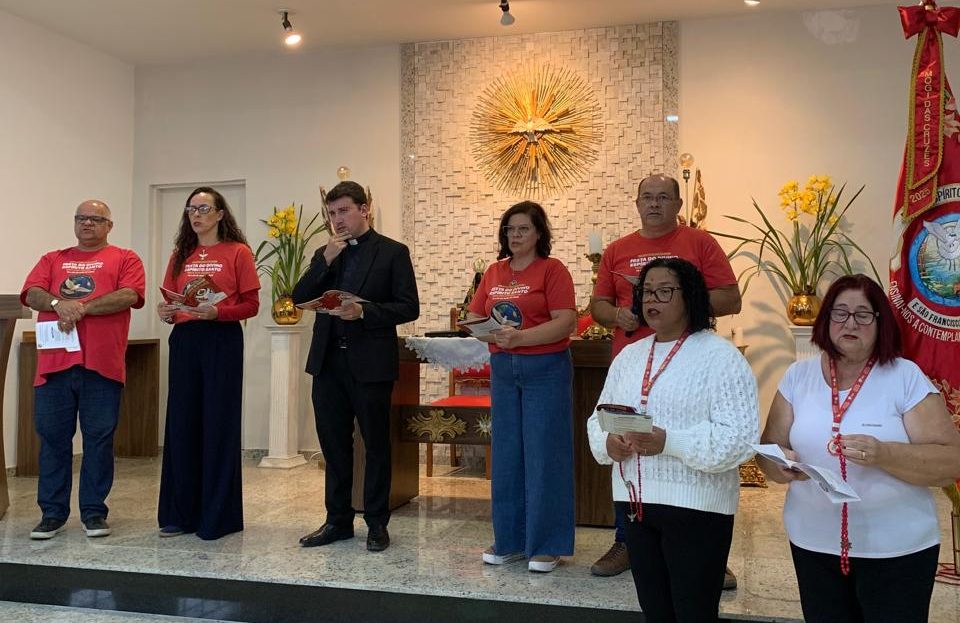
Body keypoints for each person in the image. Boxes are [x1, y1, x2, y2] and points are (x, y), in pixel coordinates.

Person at [757, 274, 960, 623]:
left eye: (863, 315)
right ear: (826, 320)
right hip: (813, 544)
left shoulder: (904, 377)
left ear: (880, 323)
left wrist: (885, 454)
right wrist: (779, 465)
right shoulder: (797, 377)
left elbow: (951, 460)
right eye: (840, 313)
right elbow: (767, 450)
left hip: (895, 551)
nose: (850, 323)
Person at [589, 173, 742, 580]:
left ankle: (708, 549)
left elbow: (731, 297)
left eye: (662, 197)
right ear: (637, 203)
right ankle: (628, 540)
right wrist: (617, 314)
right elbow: (598, 305)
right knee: (628, 447)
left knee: (683, 449)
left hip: (687, 362)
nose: (654, 204)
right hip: (633, 364)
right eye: (647, 197)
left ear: (677, 204)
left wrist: (681, 301)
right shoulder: (617, 250)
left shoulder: (700, 243)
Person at [587, 257, 757, 622]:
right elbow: (597, 419)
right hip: (635, 504)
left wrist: (670, 443)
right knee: (656, 612)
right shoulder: (629, 357)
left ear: (690, 296)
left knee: (694, 613)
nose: (652, 299)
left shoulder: (721, 358)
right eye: (647, 292)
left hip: (698, 509)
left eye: (664, 291)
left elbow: (740, 439)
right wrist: (609, 444)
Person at [293, 181, 419, 553]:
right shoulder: (325, 253)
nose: (338, 219)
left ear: (364, 209)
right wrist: (326, 260)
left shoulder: (393, 252)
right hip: (328, 363)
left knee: (376, 445)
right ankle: (337, 520)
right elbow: (300, 297)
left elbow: (408, 307)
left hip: (370, 364)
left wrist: (363, 311)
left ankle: (377, 523)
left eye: (344, 211)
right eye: (332, 213)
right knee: (334, 446)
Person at [21, 200, 145, 540]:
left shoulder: (125, 258)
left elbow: (129, 295)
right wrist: (59, 304)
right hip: (54, 366)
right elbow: (32, 293)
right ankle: (52, 514)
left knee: (99, 440)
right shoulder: (53, 258)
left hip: (102, 366)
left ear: (109, 225)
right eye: (81, 218)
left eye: (95, 218)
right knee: (52, 440)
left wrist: (80, 308)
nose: (87, 223)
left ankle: (93, 512)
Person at [466, 200, 578, 573]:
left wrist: (522, 338)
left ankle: (548, 545)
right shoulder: (494, 272)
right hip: (503, 369)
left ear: (539, 233)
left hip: (544, 367)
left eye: (523, 229)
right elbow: (473, 315)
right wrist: (489, 332)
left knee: (545, 454)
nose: (515, 235)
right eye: (509, 229)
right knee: (507, 454)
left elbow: (565, 321)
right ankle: (510, 541)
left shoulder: (552, 270)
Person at [155, 187, 260, 540]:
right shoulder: (180, 254)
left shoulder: (238, 252)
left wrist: (218, 312)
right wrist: (167, 312)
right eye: (191, 209)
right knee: (181, 423)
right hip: (186, 340)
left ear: (220, 214)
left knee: (218, 422)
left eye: (203, 208)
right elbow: (170, 301)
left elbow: (251, 305)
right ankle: (179, 514)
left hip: (221, 339)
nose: (196, 215)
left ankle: (217, 516)